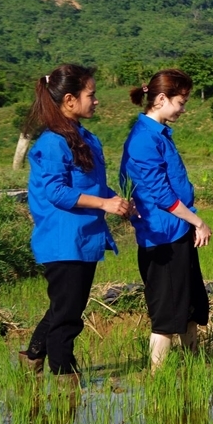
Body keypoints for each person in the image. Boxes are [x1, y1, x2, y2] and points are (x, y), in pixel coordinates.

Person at [20, 64, 130, 379]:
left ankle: (32, 359)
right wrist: (105, 204)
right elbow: (56, 192)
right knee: (68, 316)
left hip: (83, 237)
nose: (96, 101)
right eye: (91, 95)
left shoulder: (84, 137)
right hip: (63, 239)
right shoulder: (53, 142)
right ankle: (65, 376)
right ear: (69, 99)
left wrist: (118, 202)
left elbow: (91, 185)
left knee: (63, 307)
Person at [120, 69, 211, 372]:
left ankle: (193, 366)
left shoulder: (159, 134)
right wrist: (197, 222)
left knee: (189, 305)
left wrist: (191, 221)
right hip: (162, 238)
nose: (184, 109)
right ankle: (159, 378)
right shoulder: (143, 140)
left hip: (176, 231)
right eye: (181, 102)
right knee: (166, 315)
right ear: (161, 99)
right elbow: (162, 195)